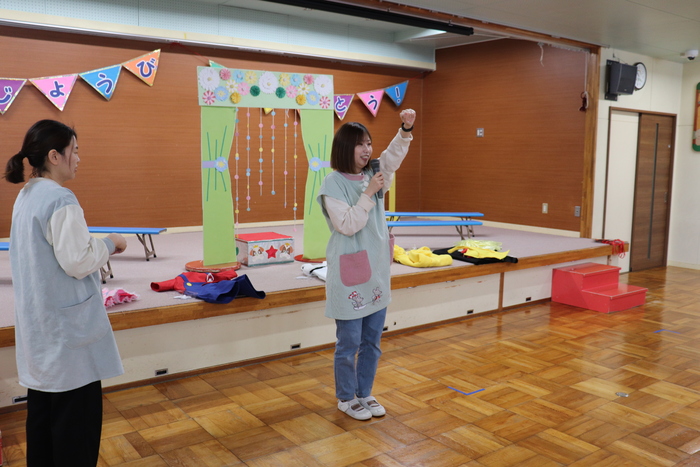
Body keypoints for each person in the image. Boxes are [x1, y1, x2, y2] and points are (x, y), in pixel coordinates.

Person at [4, 119, 127, 466]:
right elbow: (78, 260)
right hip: (69, 341)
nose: (79, 158)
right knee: (75, 434)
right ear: (54, 156)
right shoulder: (60, 198)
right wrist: (110, 243)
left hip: (41, 330)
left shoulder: (27, 194)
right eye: (75, 151)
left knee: (43, 427)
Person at [318, 109, 416, 420]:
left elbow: (392, 157)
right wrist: (369, 193)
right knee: (348, 344)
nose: (367, 149)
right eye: (360, 144)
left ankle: (365, 392)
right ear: (345, 148)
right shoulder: (332, 183)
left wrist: (405, 130)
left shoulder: (374, 172)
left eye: (369, 143)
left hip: (376, 272)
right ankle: (346, 398)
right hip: (349, 274)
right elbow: (347, 225)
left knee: (372, 342)